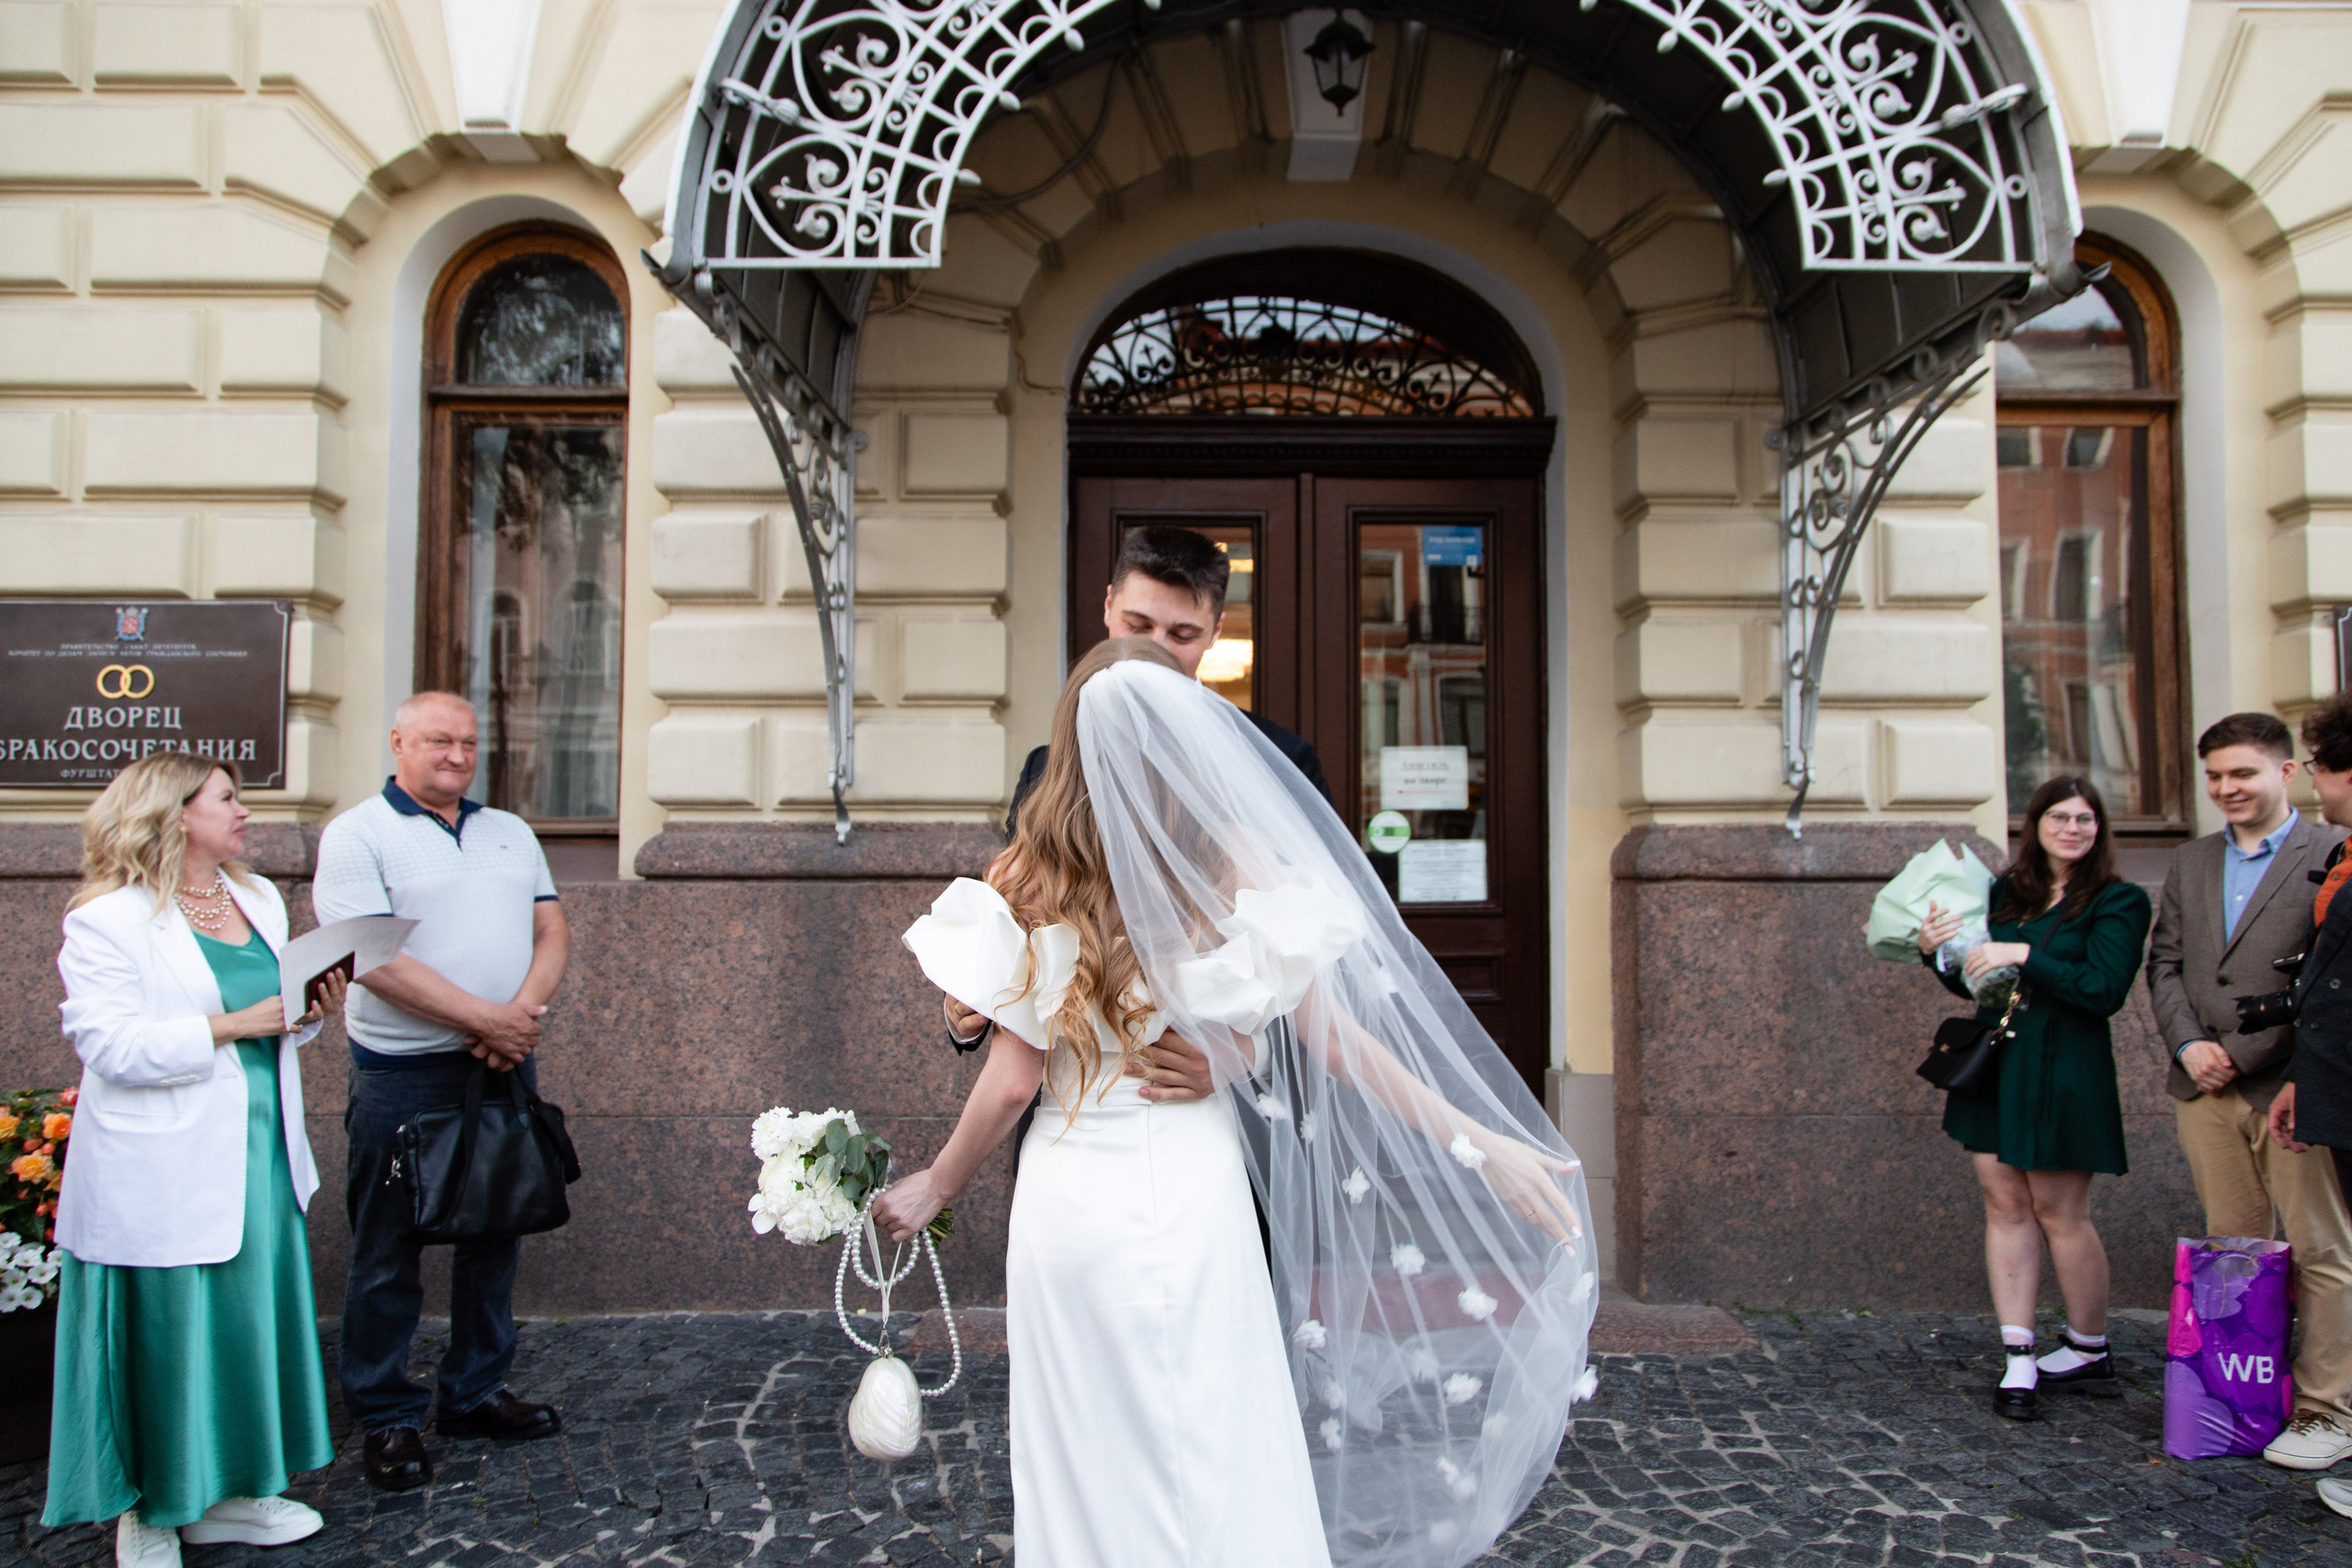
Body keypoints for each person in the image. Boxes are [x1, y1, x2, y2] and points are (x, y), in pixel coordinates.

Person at [880, 637, 1594, 1567]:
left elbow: (1016, 1080)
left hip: (1069, 1205)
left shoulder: (1029, 870)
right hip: (1190, 1188)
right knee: (1216, 1428)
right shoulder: (1233, 859)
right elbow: (1337, 1040)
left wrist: (937, 1184)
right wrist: (1477, 1141)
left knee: (1080, 1443)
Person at [47, 753, 346, 1567]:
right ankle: (148, 1509)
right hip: (160, 1164)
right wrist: (234, 1025)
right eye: (228, 798)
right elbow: (106, 1044)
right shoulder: (109, 916)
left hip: (261, 1150)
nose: (245, 811)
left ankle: (228, 1493)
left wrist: (306, 1012)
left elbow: (274, 1020)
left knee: (245, 1322)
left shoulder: (254, 898)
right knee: (169, 1332)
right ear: (176, 813)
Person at [946, 524, 1332, 1101]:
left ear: (1215, 634)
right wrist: (963, 1013)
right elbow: (1018, 934)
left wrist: (1241, 1057)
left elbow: (1305, 973)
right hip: (1067, 1111)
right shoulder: (1048, 767)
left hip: (1212, 1119)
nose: (1153, 649)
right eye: (1138, 625)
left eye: (1181, 633)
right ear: (1107, 608)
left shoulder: (1281, 762)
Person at [312, 692, 572, 1493]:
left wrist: (519, 1016)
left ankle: (475, 1389)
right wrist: (487, 1018)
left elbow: (552, 928)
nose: (457, 755)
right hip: (404, 1073)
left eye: (467, 742)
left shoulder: (510, 830)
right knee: (387, 1247)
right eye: (438, 740)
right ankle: (386, 1412)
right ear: (397, 741)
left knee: (497, 1229)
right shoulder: (357, 833)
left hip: (501, 1065)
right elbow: (369, 957)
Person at [2148, 712, 2352, 1469]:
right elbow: (2163, 964)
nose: (2227, 788)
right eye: (2214, 777)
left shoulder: (2332, 847)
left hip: (2293, 1085)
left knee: (2321, 1249)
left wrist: (2235, 1051)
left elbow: (2321, 978)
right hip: (2202, 1088)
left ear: (2287, 773)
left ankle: (2328, 1408)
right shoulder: (2192, 859)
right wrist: (2187, 1043)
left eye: (2243, 773)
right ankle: (2242, 1395)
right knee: (2235, 1254)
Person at [1917, 778, 2151, 1421]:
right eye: (2059, 815)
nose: (2073, 827)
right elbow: (1974, 977)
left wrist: (2024, 952)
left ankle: (2088, 1344)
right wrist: (1937, 952)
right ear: (2036, 823)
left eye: (2085, 818)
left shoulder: (2117, 900)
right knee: (2003, 1200)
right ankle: (2018, 1351)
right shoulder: (2003, 893)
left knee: (2059, 1208)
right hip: (1998, 1062)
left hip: (2065, 1065)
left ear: (2099, 829)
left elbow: (2103, 987)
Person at [2265, 692, 2352, 1517]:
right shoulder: (2350, 854)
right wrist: (2301, 1078)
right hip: (2334, 1086)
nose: (2315, 787)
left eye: (2320, 768)